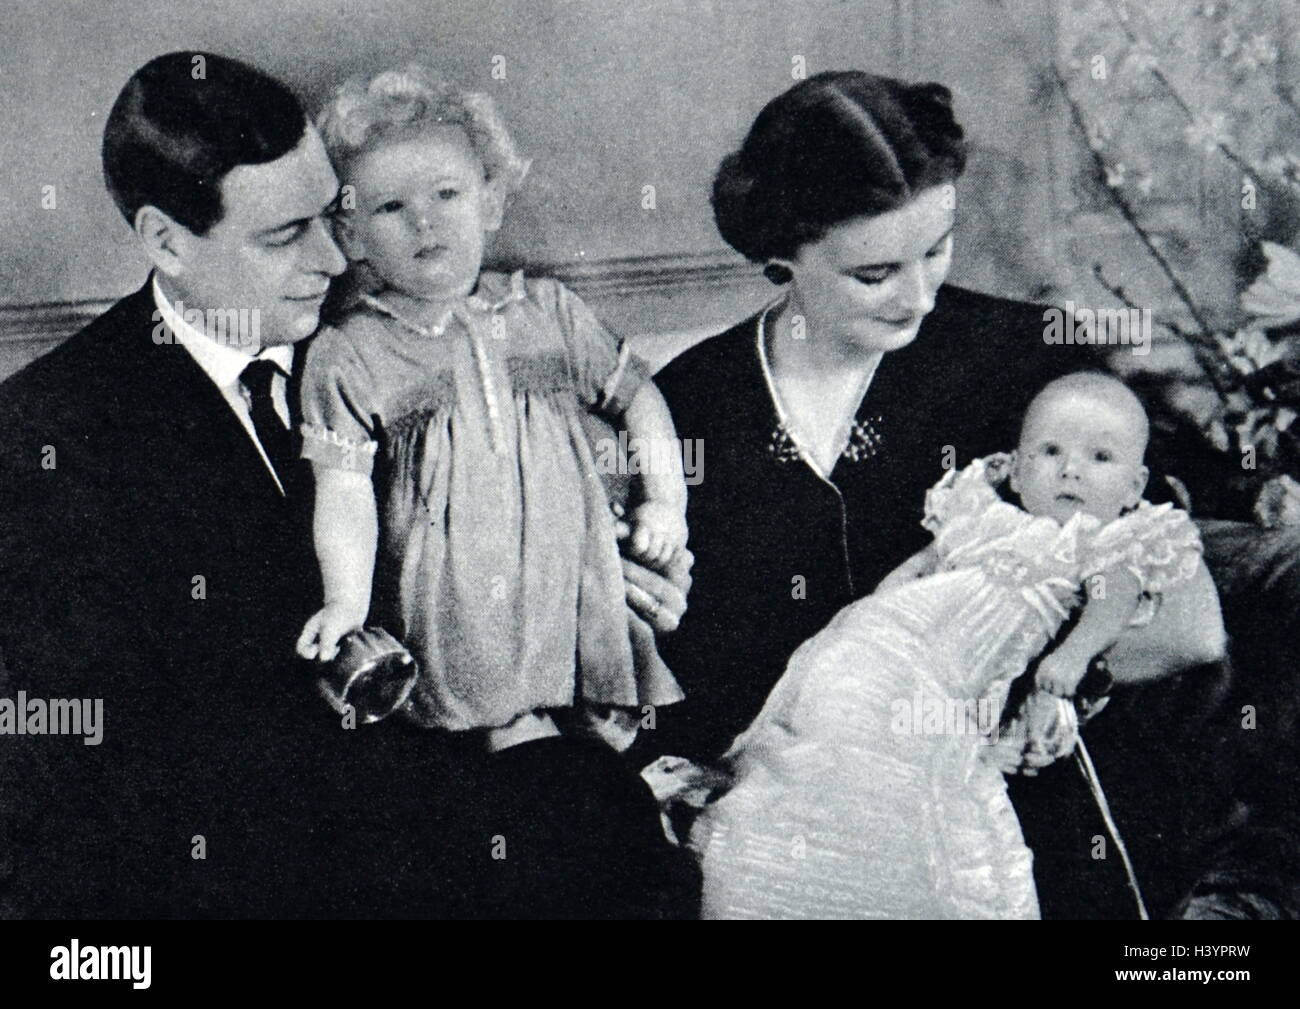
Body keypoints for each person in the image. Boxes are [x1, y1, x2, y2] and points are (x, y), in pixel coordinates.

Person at [0, 51, 692, 919]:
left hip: (530, 785)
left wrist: (624, 549)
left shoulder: (432, 320)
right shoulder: (45, 438)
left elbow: (581, 469)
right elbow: (69, 798)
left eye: (333, 215)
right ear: (166, 241)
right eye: (286, 235)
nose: (337, 258)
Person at [644, 70, 1227, 918]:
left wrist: (1040, 687)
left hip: (1013, 813)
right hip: (792, 830)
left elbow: (1190, 620)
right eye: (875, 272)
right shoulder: (692, 406)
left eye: (938, 248)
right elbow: (683, 670)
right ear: (783, 254)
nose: (919, 296)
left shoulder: (1028, 368)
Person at [690, 373, 1213, 919]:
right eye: (1049, 451)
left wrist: (1074, 655)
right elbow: (923, 566)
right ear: (1014, 466)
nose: (1071, 468)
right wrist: (868, 613)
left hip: (949, 676)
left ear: (1134, 487)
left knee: (902, 774)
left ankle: (844, 889)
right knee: (828, 737)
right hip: (883, 639)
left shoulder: (1106, 542)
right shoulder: (981, 515)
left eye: (1100, 457)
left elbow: (1114, 601)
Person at [297, 66, 688, 756]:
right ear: (351, 236)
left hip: (573, 577)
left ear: (491, 203)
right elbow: (344, 487)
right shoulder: (352, 350)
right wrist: (347, 602)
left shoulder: (547, 312)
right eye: (389, 207)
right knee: (494, 748)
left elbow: (641, 400)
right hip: (454, 605)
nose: (425, 220)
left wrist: (666, 504)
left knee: (597, 745)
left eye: (447, 193)